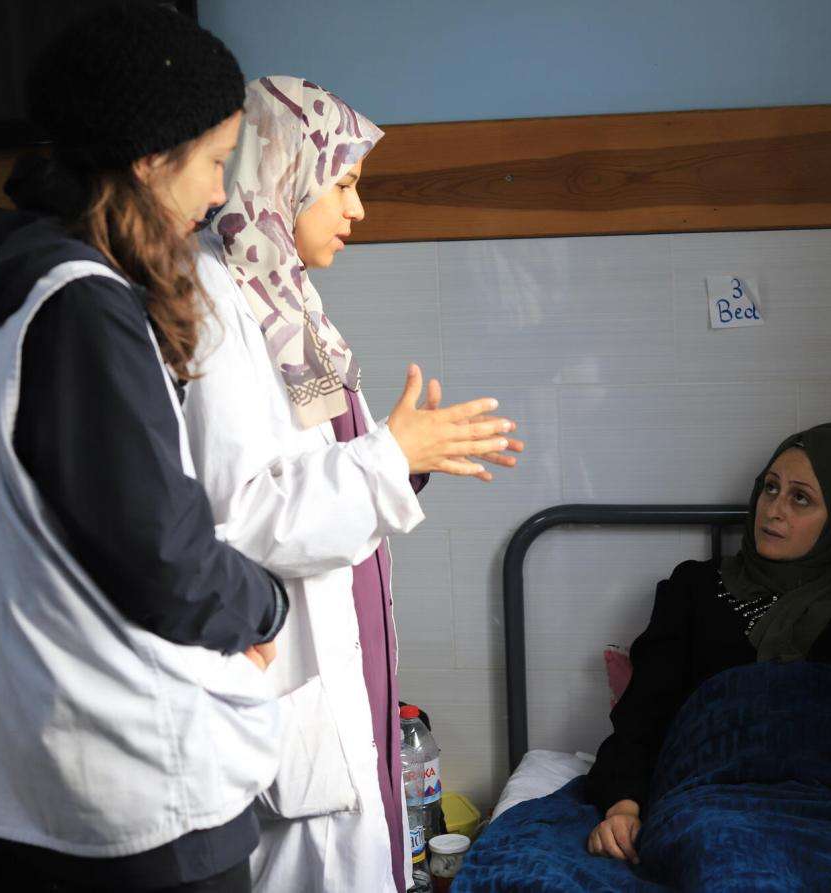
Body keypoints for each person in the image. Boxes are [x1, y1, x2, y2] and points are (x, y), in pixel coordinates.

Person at [0, 6, 289, 891]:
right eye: (217, 160)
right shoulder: (80, 307)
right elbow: (166, 559)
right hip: (135, 798)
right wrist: (265, 606)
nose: (221, 191)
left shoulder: (7, 285)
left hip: (38, 778)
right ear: (152, 158)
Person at [185, 76, 523, 892]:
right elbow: (246, 515)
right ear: (283, 170)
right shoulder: (214, 304)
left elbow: (321, 469)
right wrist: (387, 457)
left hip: (346, 648)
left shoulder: (286, 299)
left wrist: (404, 458)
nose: (357, 209)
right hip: (288, 664)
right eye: (344, 183)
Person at [585, 422, 831, 864]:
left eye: (801, 498)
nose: (773, 510)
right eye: (770, 488)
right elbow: (643, 716)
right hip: (713, 798)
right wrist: (623, 806)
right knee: (719, 852)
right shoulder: (696, 588)